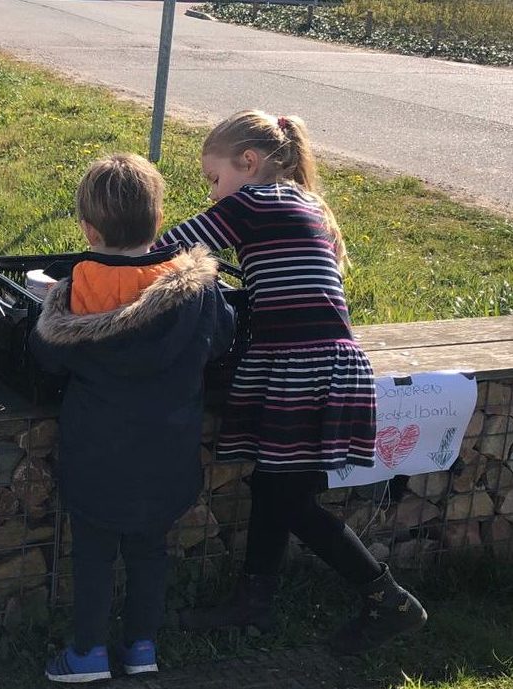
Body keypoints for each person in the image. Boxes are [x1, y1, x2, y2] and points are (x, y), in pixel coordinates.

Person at [151, 110, 427, 653]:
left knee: (291, 499)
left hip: (302, 367)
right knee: (278, 487)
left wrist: (110, 261)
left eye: (214, 178)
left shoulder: (249, 203)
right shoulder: (305, 202)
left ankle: (390, 601)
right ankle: (253, 600)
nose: (212, 192)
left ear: (248, 162)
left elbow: (170, 249)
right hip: (326, 363)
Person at [31, 153, 235, 682]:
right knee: (150, 551)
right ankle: (142, 647)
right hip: (168, 453)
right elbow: (222, 336)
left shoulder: (79, 288)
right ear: (159, 221)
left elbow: (48, 355)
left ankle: (88, 653)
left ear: (88, 229)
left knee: (94, 554)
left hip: (96, 456)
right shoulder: (196, 288)